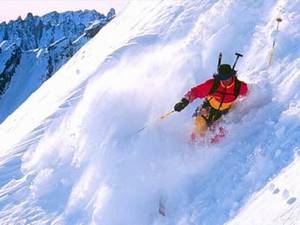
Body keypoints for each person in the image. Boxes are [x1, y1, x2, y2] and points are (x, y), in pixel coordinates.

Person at [174, 64, 248, 142]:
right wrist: (184, 102)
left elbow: (250, 93)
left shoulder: (239, 86)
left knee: (220, 131)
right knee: (200, 124)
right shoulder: (213, 84)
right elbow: (195, 91)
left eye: (228, 77)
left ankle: (215, 147)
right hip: (208, 108)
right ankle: (193, 143)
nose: (226, 81)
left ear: (232, 75)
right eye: (223, 78)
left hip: (224, 112)